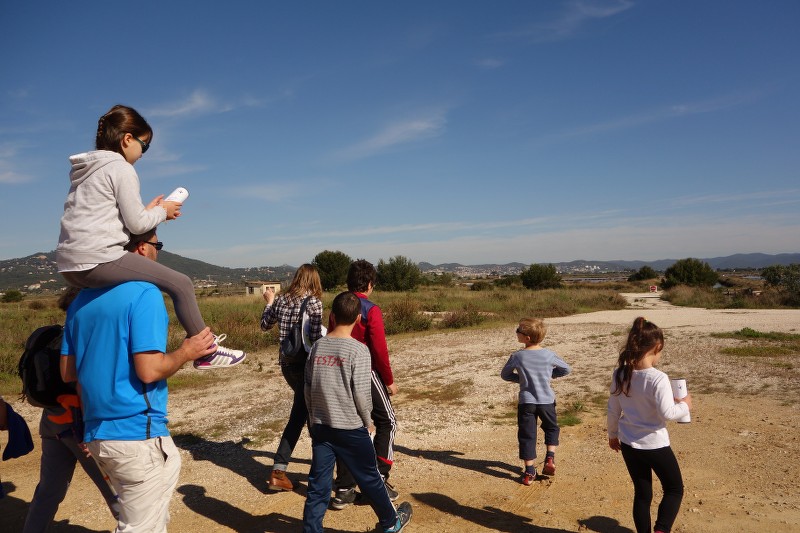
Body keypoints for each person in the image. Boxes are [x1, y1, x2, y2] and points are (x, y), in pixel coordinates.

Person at [56, 104, 244, 370]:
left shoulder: (88, 170)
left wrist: (150, 212)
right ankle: (207, 351)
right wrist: (162, 212)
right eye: (144, 146)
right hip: (98, 257)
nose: (143, 153)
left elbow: (114, 222)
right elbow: (137, 224)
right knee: (181, 284)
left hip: (69, 265)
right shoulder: (121, 168)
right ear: (127, 139)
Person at [60, 229, 217, 532]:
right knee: (141, 527)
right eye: (158, 245)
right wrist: (187, 352)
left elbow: (68, 372)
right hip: (136, 432)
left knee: (146, 520)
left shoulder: (80, 301)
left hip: (97, 433)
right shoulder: (145, 292)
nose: (158, 252)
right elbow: (149, 370)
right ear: (143, 249)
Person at [303, 291, 412, 533]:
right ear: (358, 319)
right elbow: (361, 394)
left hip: (321, 427)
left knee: (318, 484)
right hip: (350, 428)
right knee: (370, 477)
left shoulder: (317, 347)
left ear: (332, 316)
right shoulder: (359, 350)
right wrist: (367, 421)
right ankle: (391, 522)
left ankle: (311, 529)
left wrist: (312, 418)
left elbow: (308, 387)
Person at [22, 288, 120, 533]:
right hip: (80, 426)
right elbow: (89, 386)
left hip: (51, 422)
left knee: (48, 491)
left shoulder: (53, 337)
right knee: (116, 493)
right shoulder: (84, 338)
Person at [607, 317, 692, 533]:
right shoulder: (658, 378)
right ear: (657, 347)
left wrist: (612, 435)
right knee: (674, 489)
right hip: (655, 445)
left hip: (629, 444)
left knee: (642, 494)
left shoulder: (620, 373)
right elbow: (668, 413)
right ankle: (661, 530)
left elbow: (613, 410)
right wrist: (686, 405)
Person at [329, 259, 399, 508]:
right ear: (369, 284)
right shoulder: (371, 309)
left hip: (339, 371)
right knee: (388, 422)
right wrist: (389, 380)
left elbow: (331, 337)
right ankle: (378, 479)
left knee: (349, 427)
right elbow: (379, 350)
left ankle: (344, 489)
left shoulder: (339, 305)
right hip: (365, 372)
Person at [260, 264, 324, 491]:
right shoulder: (314, 302)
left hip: (287, 365)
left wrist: (269, 302)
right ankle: (290, 472)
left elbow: (265, 325)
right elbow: (315, 340)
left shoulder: (281, 300)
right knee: (306, 416)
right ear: (314, 280)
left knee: (303, 412)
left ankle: (283, 469)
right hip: (307, 366)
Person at [501, 317, 571, 485]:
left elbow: (505, 375)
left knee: (527, 435)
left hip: (527, 402)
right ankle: (550, 458)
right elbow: (566, 369)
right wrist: (549, 376)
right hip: (546, 401)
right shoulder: (548, 355)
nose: (516, 332)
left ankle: (529, 471)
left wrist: (522, 380)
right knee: (551, 428)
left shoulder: (517, 356)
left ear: (527, 338)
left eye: (518, 330)